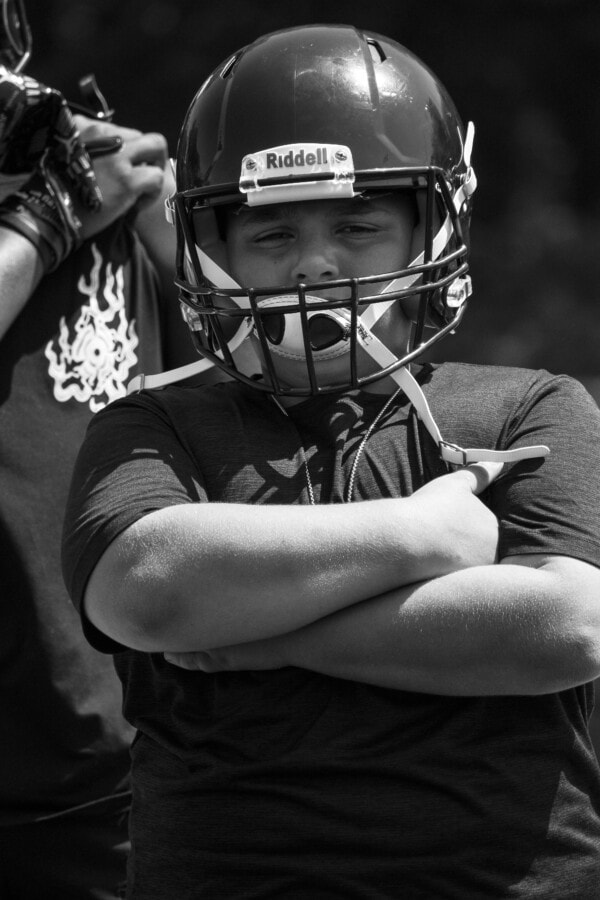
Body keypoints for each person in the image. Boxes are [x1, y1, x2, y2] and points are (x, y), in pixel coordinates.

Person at [62, 24, 600, 900]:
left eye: (358, 224)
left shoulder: (531, 403)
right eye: (271, 234)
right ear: (212, 249)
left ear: (434, 226)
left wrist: (253, 631)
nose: (316, 263)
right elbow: (151, 589)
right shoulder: (151, 419)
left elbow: (567, 626)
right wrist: (422, 533)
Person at [0, 20, 212, 895]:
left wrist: (169, 228)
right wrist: (49, 216)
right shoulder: (60, 204)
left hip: (120, 779)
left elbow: (273, 370)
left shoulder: (103, 185)